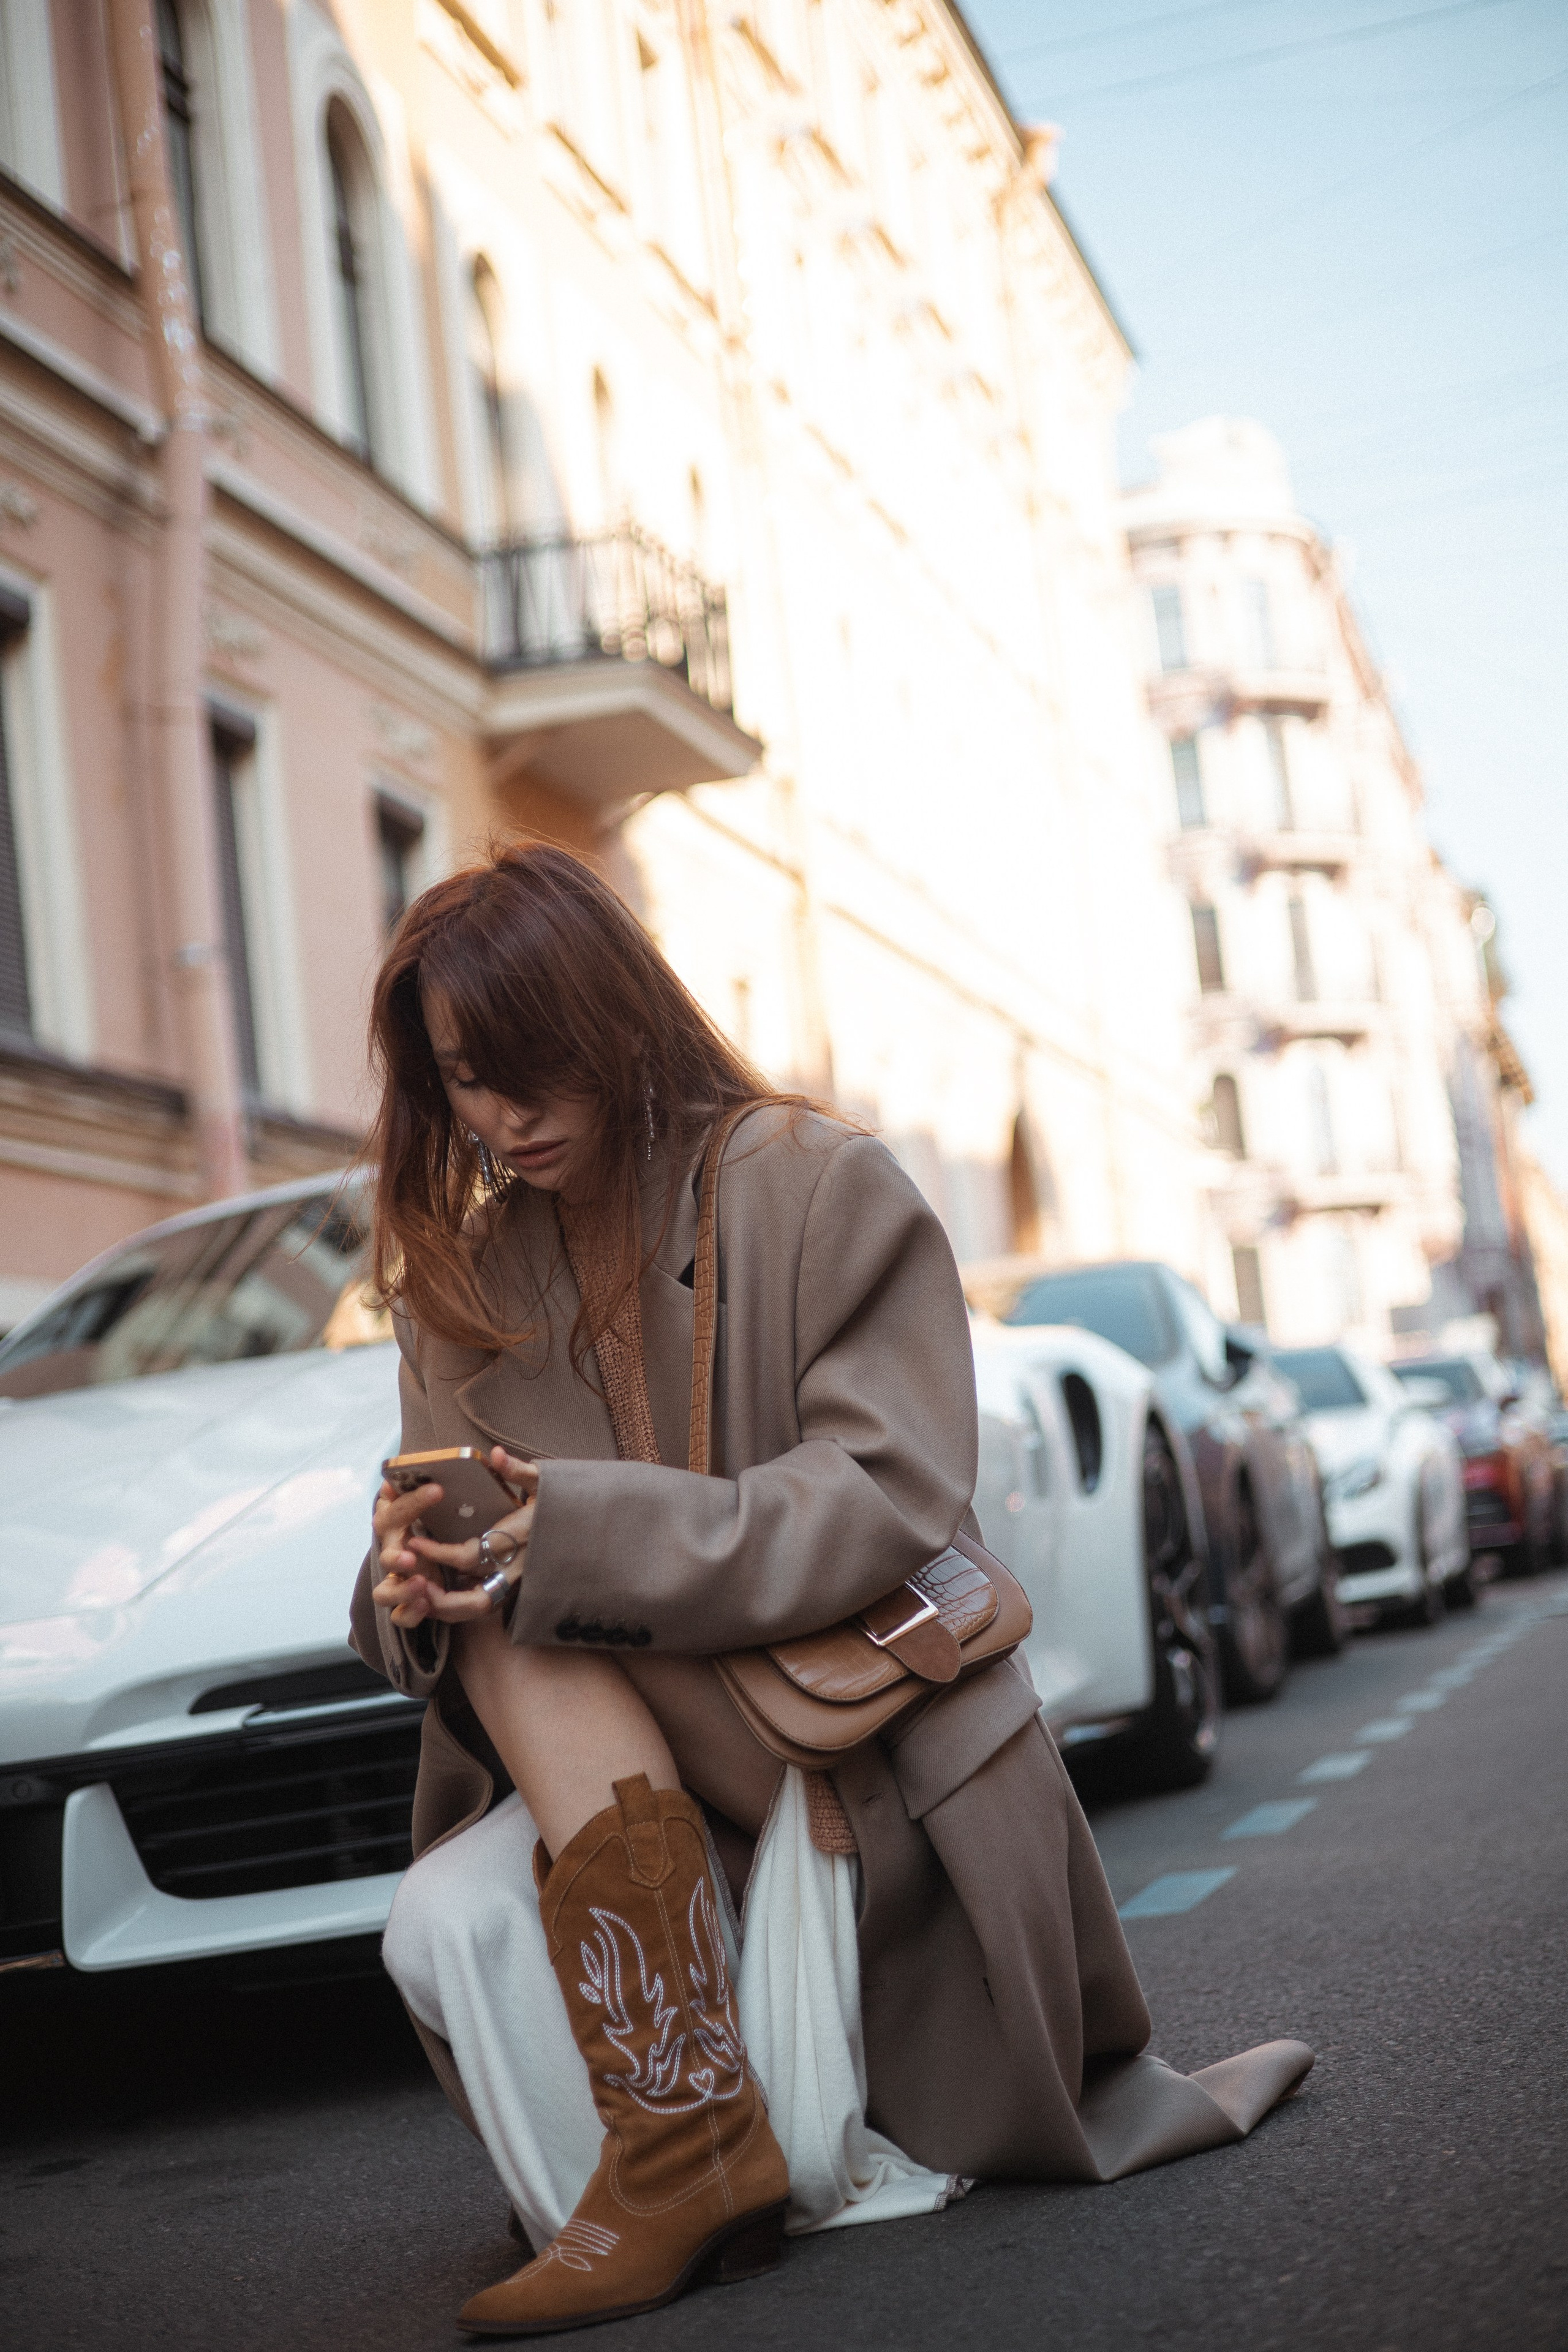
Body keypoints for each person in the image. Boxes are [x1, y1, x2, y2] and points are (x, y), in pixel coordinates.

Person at [349, 842, 1311, 2339]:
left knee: (530, 1590)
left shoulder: (811, 1181)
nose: (501, 1116)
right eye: (463, 1079)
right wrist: (408, 1585)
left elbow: (888, 1491)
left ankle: (678, 2157)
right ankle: (682, 2146)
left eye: (532, 1067)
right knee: (468, 1715)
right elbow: (447, 1557)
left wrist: (579, 1542)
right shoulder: (465, 1278)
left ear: (617, 1016)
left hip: (840, 1736)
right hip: (622, 1775)